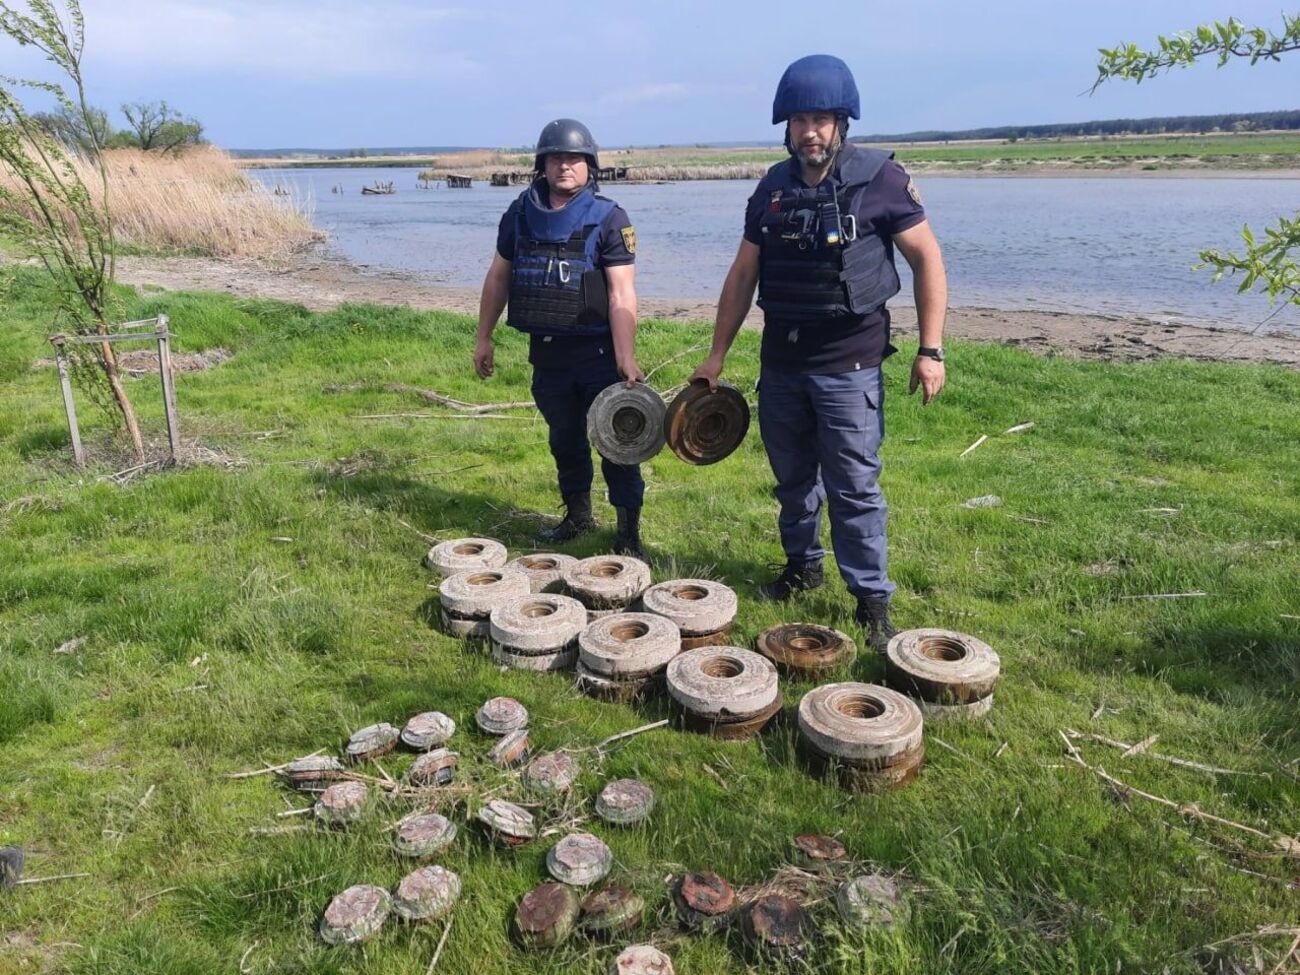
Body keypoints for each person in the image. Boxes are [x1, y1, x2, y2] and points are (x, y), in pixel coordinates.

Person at [690, 54, 948, 651]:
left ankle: (871, 598)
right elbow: (743, 273)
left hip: (849, 366)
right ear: (786, 126)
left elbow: (927, 260)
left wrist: (929, 350)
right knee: (792, 480)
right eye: (801, 119)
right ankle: (802, 565)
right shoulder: (771, 188)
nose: (811, 131)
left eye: (823, 119)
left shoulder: (881, 180)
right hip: (781, 365)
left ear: (843, 124)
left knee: (854, 484)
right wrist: (716, 356)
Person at [475, 118, 648, 558]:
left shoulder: (611, 218)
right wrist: (484, 338)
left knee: (618, 444)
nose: (563, 165)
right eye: (555, 158)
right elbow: (498, 277)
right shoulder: (518, 214)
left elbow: (621, 292)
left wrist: (626, 359)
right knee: (564, 439)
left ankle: (628, 532)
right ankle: (577, 516)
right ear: (542, 164)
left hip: (599, 354)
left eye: (573, 158)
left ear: (590, 165)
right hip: (548, 356)